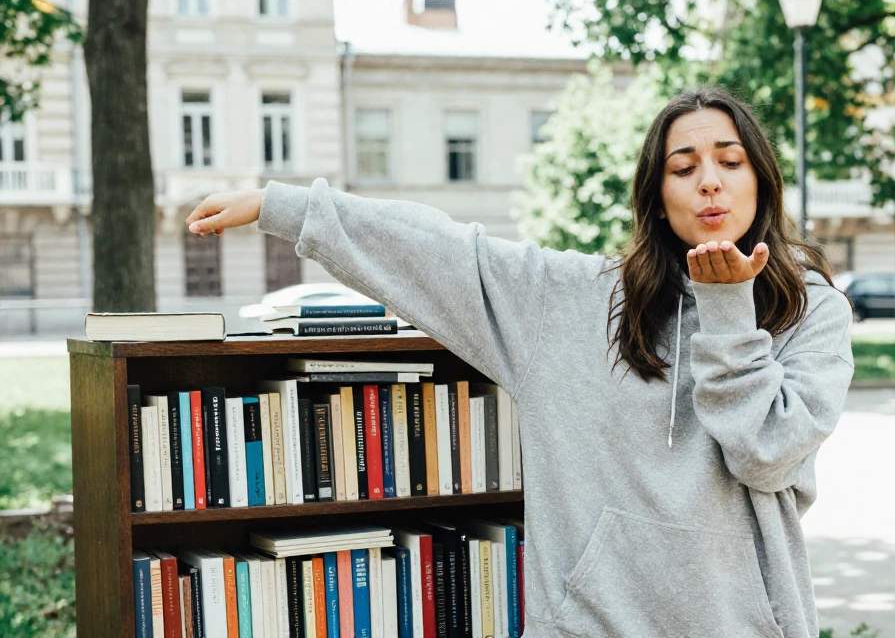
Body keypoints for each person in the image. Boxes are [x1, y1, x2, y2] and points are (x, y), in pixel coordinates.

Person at [186, 87, 853, 638]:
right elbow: (447, 252)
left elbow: (765, 455)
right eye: (683, 169)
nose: (709, 181)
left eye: (730, 162)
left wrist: (728, 309)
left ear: (762, 182)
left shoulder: (814, 310)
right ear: (656, 196)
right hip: (591, 624)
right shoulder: (578, 299)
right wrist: (285, 207)